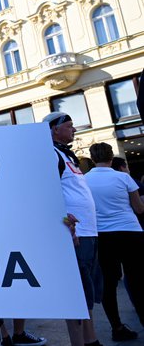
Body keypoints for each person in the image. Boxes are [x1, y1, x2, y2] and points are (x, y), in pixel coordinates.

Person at [42, 111, 102, 346]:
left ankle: (91, 338)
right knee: (77, 292)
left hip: (89, 231)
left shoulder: (66, 155)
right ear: (54, 130)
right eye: (69, 126)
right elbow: (46, 191)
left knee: (87, 289)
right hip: (74, 234)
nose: (74, 130)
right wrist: (65, 221)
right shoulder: (50, 154)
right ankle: (81, 341)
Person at [84, 142, 144, 341]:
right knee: (137, 279)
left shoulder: (84, 180)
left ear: (92, 158)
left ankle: (116, 327)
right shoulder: (123, 177)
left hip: (102, 235)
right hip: (130, 231)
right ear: (111, 157)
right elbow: (139, 208)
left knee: (109, 283)